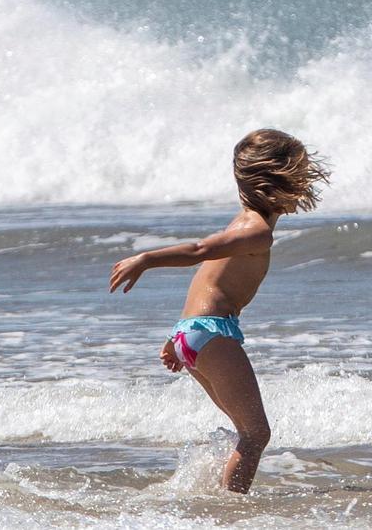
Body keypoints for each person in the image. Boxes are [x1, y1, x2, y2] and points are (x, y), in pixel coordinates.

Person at [110, 129, 329, 493]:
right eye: (301, 175)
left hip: (193, 331)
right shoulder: (256, 231)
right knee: (256, 434)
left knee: (245, 431)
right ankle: (231, 508)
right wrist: (146, 259)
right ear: (278, 179)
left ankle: (208, 492)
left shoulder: (241, 223)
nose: (305, 185)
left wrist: (176, 338)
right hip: (211, 332)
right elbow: (199, 251)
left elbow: (207, 279)